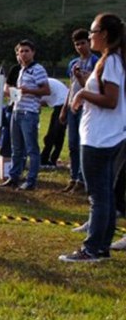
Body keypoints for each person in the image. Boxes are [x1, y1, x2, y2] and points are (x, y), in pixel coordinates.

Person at [59, 13, 126, 262]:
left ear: (105, 34)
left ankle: (92, 248)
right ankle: (102, 247)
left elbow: (111, 100)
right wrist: (85, 85)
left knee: (98, 196)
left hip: (99, 138)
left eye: (93, 32)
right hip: (107, 136)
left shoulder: (111, 61)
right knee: (106, 195)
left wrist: (83, 95)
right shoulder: (114, 61)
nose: (89, 37)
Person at [0, 40, 50, 191]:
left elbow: (46, 90)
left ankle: (31, 180)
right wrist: (15, 92)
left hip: (29, 112)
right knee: (16, 148)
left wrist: (28, 91)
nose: (24, 54)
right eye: (21, 51)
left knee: (31, 148)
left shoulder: (38, 69)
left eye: (27, 51)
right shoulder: (21, 70)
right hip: (16, 110)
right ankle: (13, 177)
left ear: (33, 52)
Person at [59, 29, 98, 193]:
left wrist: (82, 77)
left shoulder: (96, 62)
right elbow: (71, 87)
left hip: (86, 107)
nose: (80, 46)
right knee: (72, 144)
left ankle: (83, 179)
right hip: (71, 108)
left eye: (83, 43)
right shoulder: (73, 63)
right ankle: (73, 177)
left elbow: (92, 88)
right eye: (77, 44)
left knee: (83, 143)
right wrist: (63, 109)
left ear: (89, 43)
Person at [39, 78, 69, 168]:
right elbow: (45, 102)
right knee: (59, 134)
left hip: (62, 104)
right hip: (63, 102)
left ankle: (44, 159)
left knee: (53, 134)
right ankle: (53, 159)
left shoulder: (38, 84)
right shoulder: (45, 81)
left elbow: (39, 101)